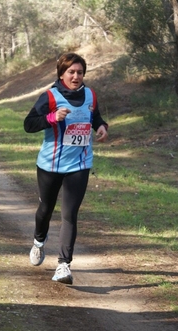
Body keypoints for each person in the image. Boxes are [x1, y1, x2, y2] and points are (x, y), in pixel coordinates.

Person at [24, 52, 108, 285]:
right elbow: (28, 124)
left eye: (80, 72)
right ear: (62, 73)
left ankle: (63, 265)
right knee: (45, 209)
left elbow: (95, 117)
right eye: (71, 72)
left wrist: (101, 127)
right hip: (50, 165)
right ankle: (39, 241)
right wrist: (51, 117)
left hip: (80, 164)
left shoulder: (90, 94)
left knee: (70, 214)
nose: (76, 76)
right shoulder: (50, 96)